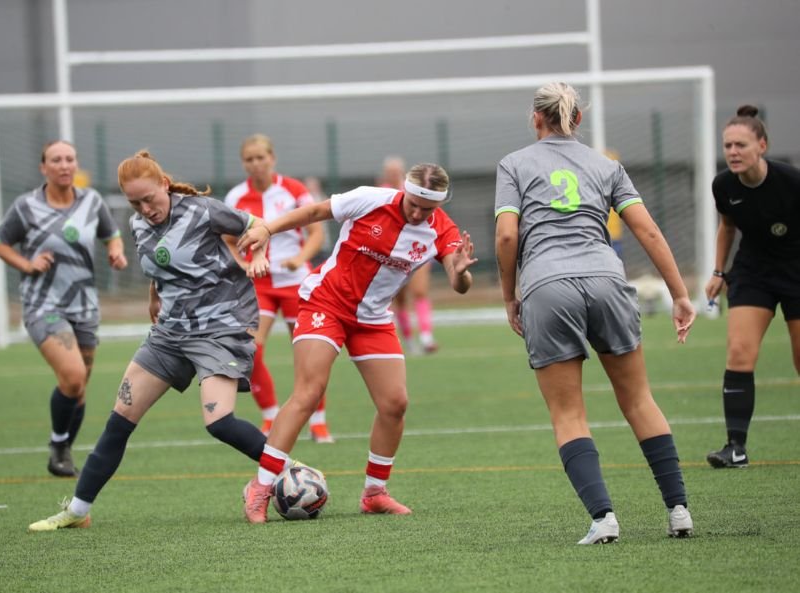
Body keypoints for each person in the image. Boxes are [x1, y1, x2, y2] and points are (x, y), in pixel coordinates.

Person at [28, 150, 274, 531]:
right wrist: (154, 296)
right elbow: (158, 266)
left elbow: (255, 225)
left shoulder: (202, 210)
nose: (145, 208)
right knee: (119, 421)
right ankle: (77, 511)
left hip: (221, 327)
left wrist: (257, 251)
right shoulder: (138, 224)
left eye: (149, 198)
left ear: (164, 184)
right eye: (134, 202)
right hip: (170, 333)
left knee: (219, 422)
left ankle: (291, 471)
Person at [494, 82, 696, 544]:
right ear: (577, 120)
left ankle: (604, 518)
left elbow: (507, 237)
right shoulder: (608, 165)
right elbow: (647, 231)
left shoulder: (514, 163)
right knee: (639, 400)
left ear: (535, 119)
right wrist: (680, 293)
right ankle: (679, 510)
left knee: (569, 414)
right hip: (608, 281)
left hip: (548, 287)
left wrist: (510, 295)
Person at [237, 162, 478, 523]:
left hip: (373, 318)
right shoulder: (370, 199)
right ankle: (260, 488)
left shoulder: (441, 228)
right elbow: (316, 211)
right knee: (309, 392)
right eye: (412, 203)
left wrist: (461, 274)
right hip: (326, 303)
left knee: (395, 403)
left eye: (426, 208)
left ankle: (375, 493)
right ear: (404, 191)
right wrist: (268, 229)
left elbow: (459, 282)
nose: (416, 212)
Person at [0, 140, 128, 477]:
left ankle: (63, 449)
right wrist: (26, 264)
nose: (64, 165)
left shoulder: (92, 201)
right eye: (56, 160)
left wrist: (116, 252)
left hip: (84, 305)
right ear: (44, 168)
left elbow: (112, 234)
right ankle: (58, 444)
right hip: (44, 305)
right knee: (73, 375)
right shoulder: (27, 206)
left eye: (69, 159)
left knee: (78, 389)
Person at [704, 105, 800, 469]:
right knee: (740, 352)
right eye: (728, 145)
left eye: (740, 145)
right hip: (753, 271)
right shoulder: (724, 185)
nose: (732, 152)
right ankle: (735, 448)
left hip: (796, 270)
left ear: (762, 145)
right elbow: (727, 227)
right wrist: (717, 271)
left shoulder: (791, 181)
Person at [224, 134, 334, 443]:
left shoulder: (293, 190)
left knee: (311, 353)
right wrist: (241, 264)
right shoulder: (235, 197)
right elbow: (226, 240)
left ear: (272, 158)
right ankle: (270, 415)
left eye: (261, 157)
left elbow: (316, 232)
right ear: (243, 163)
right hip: (258, 285)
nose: (256, 164)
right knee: (250, 349)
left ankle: (319, 422)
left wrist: (299, 258)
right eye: (249, 159)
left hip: (296, 283)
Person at [380, 157, 439, 354]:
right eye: (390, 171)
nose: (393, 174)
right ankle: (408, 339)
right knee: (400, 299)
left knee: (420, 291)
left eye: (397, 171)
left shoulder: (415, 191)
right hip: (393, 254)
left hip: (416, 250)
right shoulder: (383, 192)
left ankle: (426, 336)